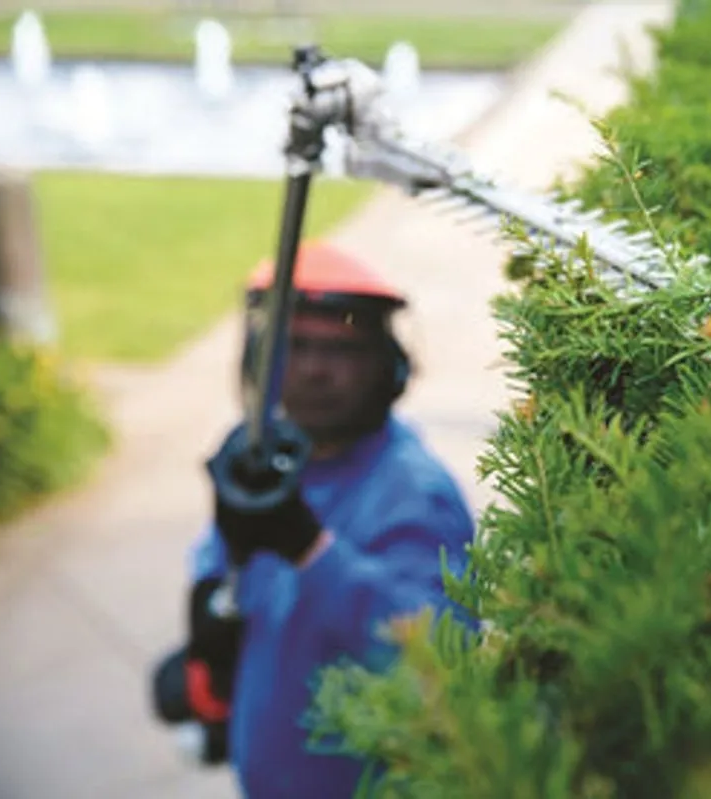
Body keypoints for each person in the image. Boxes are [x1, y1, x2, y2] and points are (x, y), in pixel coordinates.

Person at [150, 239, 477, 798]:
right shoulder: (268, 457)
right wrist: (210, 625)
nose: (314, 371)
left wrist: (309, 548)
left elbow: (437, 660)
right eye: (293, 346)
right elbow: (225, 567)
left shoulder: (414, 493)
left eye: (342, 351)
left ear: (388, 369)